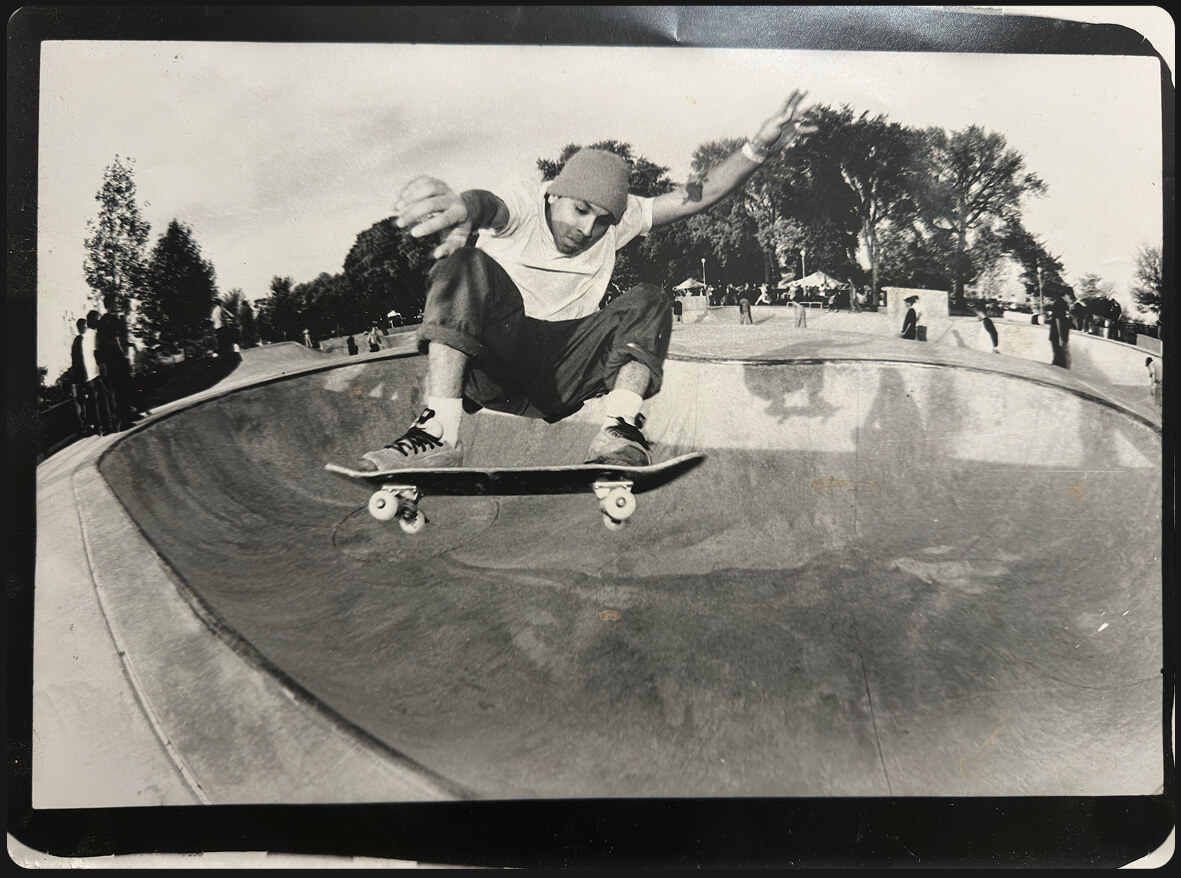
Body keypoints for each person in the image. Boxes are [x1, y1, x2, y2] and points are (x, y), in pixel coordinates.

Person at [358, 90, 817, 471]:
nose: (586, 229)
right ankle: (439, 431)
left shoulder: (621, 219)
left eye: (601, 221)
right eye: (578, 210)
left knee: (649, 298)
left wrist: (759, 146)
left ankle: (619, 430)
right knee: (463, 264)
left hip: (564, 378)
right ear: (555, 194)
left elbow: (697, 196)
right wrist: (465, 207)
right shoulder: (524, 204)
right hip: (497, 363)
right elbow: (489, 205)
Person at [95, 294, 134, 430]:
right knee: (120, 388)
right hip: (114, 359)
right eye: (114, 302)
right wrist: (123, 355)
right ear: (109, 304)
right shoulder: (109, 320)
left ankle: (127, 416)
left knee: (123, 387)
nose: (116, 304)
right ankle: (123, 421)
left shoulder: (104, 321)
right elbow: (117, 337)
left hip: (113, 359)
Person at [70, 317, 104, 435]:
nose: (86, 328)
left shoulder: (78, 341)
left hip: (83, 376)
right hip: (85, 376)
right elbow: (79, 361)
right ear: (81, 328)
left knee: (91, 402)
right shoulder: (80, 341)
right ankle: (95, 426)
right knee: (92, 401)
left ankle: (94, 425)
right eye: (84, 326)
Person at [1047, 291, 1073, 368]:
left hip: (1061, 332)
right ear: (1064, 295)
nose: (1070, 298)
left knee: (1059, 354)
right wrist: (1060, 336)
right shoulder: (1059, 304)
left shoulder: (1064, 304)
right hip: (1058, 332)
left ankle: (1057, 364)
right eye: (1069, 296)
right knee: (1060, 355)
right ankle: (1060, 366)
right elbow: (1058, 319)